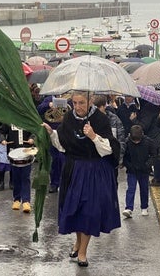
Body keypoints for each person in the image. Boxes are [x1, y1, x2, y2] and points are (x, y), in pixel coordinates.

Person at [43, 91, 121, 268]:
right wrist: (51, 133)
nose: (77, 107)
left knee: (89, 211)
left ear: (91, 100)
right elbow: (63, 145)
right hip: (74, 169)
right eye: (75, 102)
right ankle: (78, 243)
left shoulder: (101, 120)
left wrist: (93, 136)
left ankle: (83, 252)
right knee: (76, 211)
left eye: (81, 103)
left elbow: (110, 149)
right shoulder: (69, 118)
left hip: (94, 171)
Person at [0, 123, 36, 213]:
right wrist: (2, 139)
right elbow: (1, 131)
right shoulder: (9, 119)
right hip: (13, 152)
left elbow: (35, 130)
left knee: (25, 177)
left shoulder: (26, 118)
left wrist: (32, 138)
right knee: (16, 177)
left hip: (26, 151)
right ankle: (16, 199)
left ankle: (26, 201)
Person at [122, 125, 156, 218]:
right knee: (131, 188)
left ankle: (144, 207)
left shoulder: (148, 142)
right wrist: (128, 165)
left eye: (138, 140)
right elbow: (124, 156)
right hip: (132, 170)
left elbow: (154, 155)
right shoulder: (127, 142)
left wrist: (147, 165)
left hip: (144, 170)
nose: (136, 142)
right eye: (134, 141)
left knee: (144, 188)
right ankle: (129, 208)